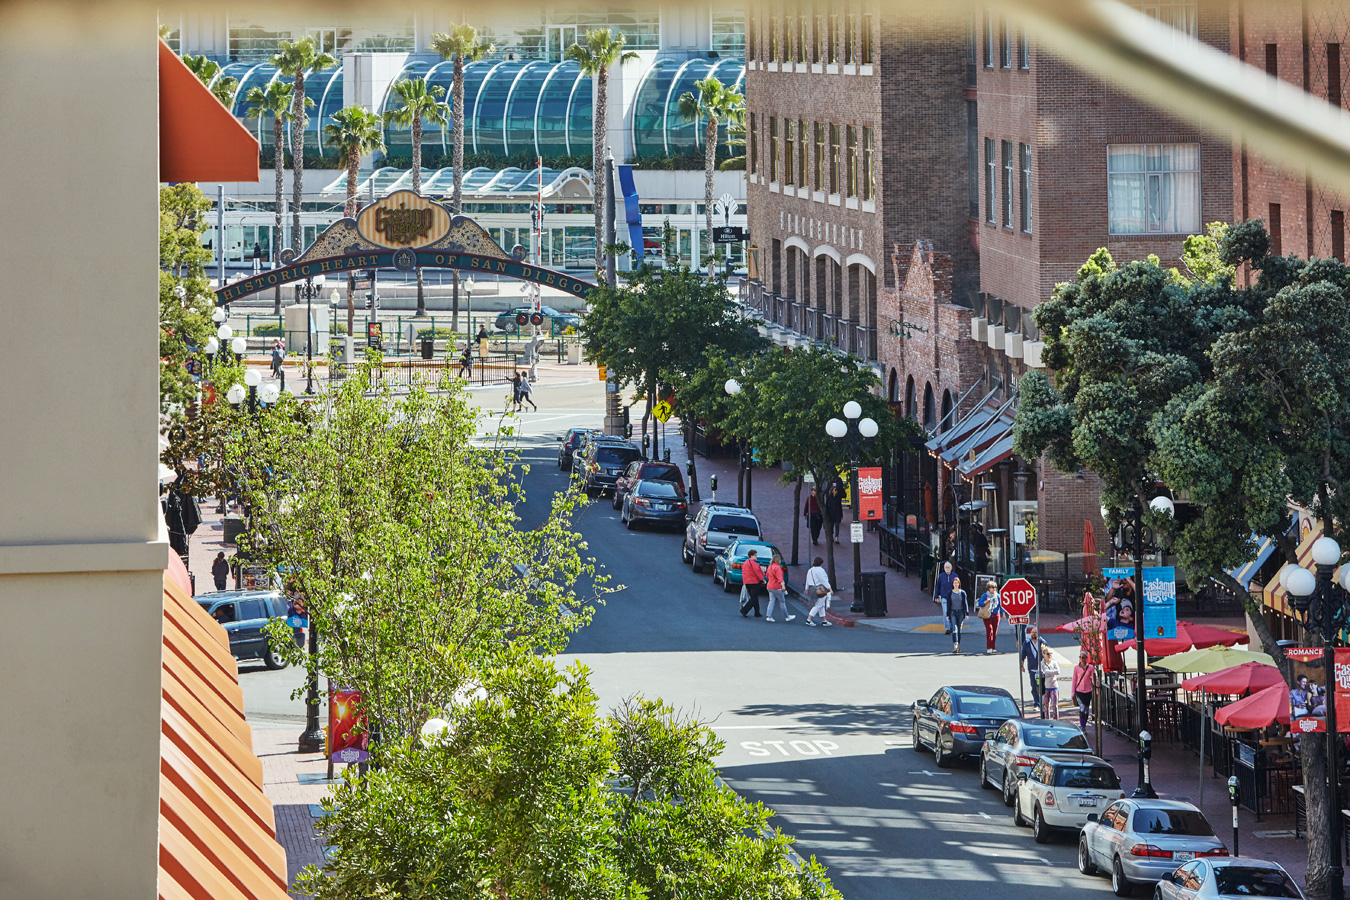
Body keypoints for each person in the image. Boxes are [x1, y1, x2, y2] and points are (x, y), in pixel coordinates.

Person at [1020, 626, 1046, 711]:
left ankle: (1043, 702)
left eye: (1035, 632)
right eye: (1032, 632)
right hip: (1032, 668)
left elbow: (1047, 653)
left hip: (1041, 669)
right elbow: (1023, 655)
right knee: (1034, 686)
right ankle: (1036, 704)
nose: (1033, 634)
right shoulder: (1027, 643)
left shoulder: (1042, 642)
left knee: (1042, 686)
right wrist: (1022, 665)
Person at [803, 556, 834, 626]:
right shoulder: (820, 570)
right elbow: (824, 580)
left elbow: (807, 580)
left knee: (821, 605)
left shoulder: (810, 570)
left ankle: (824, 621)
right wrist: (830, 588)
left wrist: (806, 589)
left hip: (811, 589)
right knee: (818, 605)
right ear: (820, 563)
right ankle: (809, 620)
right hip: (820, 588)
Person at [764, 553, 795, 622]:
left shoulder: (770, 567)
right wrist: (783, 585)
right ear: (778, 560)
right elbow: (780, 578)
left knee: (771, 601)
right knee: (782, 602)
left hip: (769, 586)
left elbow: (767, 576)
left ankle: (769, 616)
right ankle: (787, 616)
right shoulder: (777, 568)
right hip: (776, 587)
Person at [976, 579, 1002, 654]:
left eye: (995, 587)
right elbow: (980, 604)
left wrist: (1003, 613)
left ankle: (993, 647)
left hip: (996, 614)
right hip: (987, 615)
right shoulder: (985, 595)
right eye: (993, 587)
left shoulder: (997, 596)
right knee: (989, 629)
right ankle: (989, 647)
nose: (995, 589)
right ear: (989, 588)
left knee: (994, 632)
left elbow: (1000, 605)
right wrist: (986, 601)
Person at [1072, 650, 1095, 729]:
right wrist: (1072, 693)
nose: (1082, 659)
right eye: (1080, 657)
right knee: (1082, 708)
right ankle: (1082, 726)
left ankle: (1084, 725)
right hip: (1079, 691)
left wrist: (1097, 689)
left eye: (1083, 657)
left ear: (1086, 658)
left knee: (1086, 709)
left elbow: (1093, 679)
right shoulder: (1076, 668)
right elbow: (1074, 680)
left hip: (1088, 691)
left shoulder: (1090, 668)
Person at [739, 548, 765, 618]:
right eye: (755, 555)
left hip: (747, 582)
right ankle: (745, 610)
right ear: (751, 556)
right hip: (754, 582)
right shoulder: (754, 564)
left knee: (754, 597)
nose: (756, 557)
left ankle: (757, 612)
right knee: (754, 598)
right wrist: (762, 579)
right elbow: (758, 573)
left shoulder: (745, 563)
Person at [933, 560, 956, 635]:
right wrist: (936, 596)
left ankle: (953, 626)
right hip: (944, 597)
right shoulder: (941, 576)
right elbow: (937, 586)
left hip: (953, 597)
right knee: (945, 613)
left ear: (951, 568)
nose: (947, 568)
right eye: (946, 567)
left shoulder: (955, 576)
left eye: (948, 567)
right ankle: (947, 628)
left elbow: (959, 587)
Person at [948, 576, 969, 653]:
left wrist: (966, 613)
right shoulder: (950, 593)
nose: (956, 584)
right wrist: (947, 615)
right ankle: (955, 646)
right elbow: (948, 604)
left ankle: (958, 647)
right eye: (954, 583)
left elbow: (965, 603)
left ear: (959, 584)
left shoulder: (962, 593)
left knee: (959, 630)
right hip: (952, 612)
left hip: (960, 612)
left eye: (957, 583)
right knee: (954, 629)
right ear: (952, 584)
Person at [1041, 646, 1062, 719]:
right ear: (1043, 654)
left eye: (1050, 654)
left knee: (1055, 705)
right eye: (1048, 654)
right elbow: (1042, 673)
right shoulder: (1042, 664)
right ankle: (1047, 719)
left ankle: (1056, 720)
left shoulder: (1054, 663)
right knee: (1046, 706)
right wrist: (1052, 672)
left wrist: (1048, 672)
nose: (1049, 655)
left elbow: (1058, 671)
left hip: (1054, 687)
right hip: (1046, 687)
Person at [824, 480, 844, 544]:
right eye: (834, 490)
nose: (836, 491)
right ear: (832, 491)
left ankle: (836, 537)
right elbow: (827, 506)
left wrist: (841, 515)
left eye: (836, 490)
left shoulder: (838, 497)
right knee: (831, 526)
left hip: (837, 514)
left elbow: (840, 506)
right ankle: (831, 536)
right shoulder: (829, 498)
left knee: (837, 525)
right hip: (831, 514)